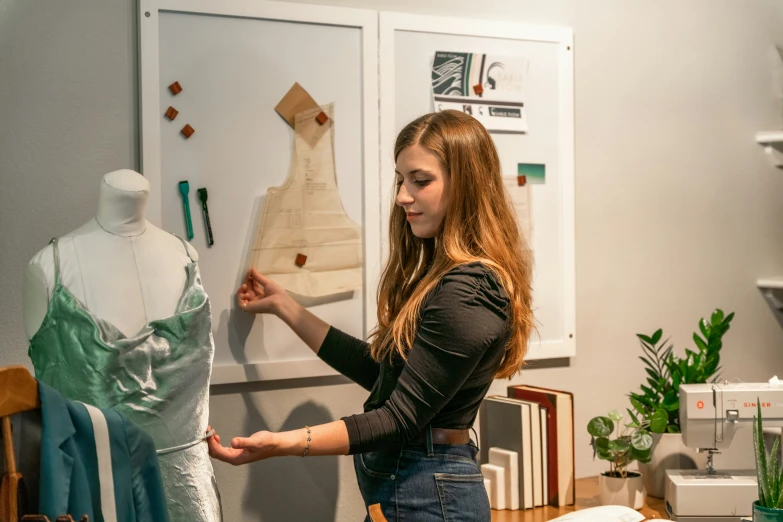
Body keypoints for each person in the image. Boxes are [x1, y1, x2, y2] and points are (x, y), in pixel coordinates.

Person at [207, 109, 534, 521]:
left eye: (420, 180)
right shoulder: (445, 277)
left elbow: (397, 418)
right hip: (412, 493)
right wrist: (285, 306)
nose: (402, 196)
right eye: (401, 180)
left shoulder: (466, 292)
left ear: (465, 184)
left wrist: (283, 443)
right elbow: (384, 373)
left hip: (431, 500)